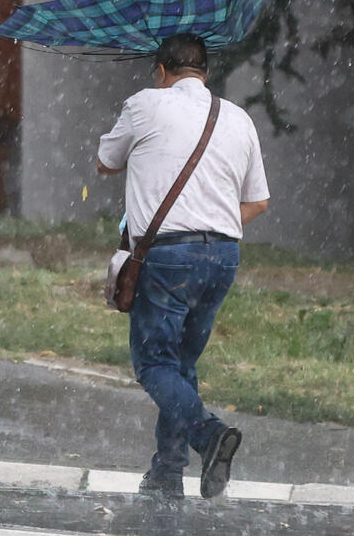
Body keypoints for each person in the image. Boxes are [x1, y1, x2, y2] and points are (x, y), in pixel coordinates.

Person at [96, 33, 270, 500]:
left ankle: (210, 436)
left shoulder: (144, 104)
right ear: (205, 73)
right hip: (223, 256)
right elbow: (258, 201)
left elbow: (105, 162)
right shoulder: (238, 117)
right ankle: (167, 474)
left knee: (154, 364)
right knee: (180, 365)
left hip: (167, 257)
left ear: (161, 71)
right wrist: (211, 224)